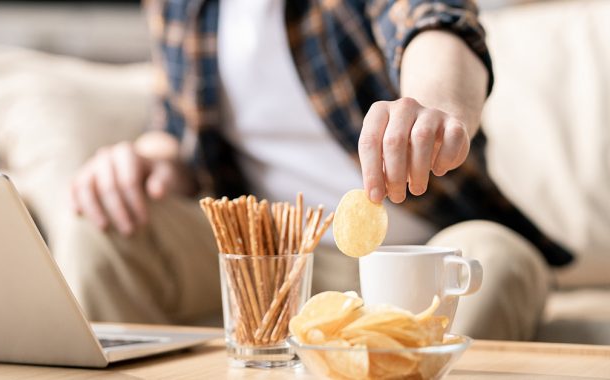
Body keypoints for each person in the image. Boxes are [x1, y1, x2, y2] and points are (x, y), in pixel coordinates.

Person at [56, 0, 571, 340]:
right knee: (101, 231)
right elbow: (178, 130)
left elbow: (434, 22)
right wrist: (151, 157)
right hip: (271, 256)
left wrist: (429, 105)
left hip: (423, 249)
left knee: (494, 263)